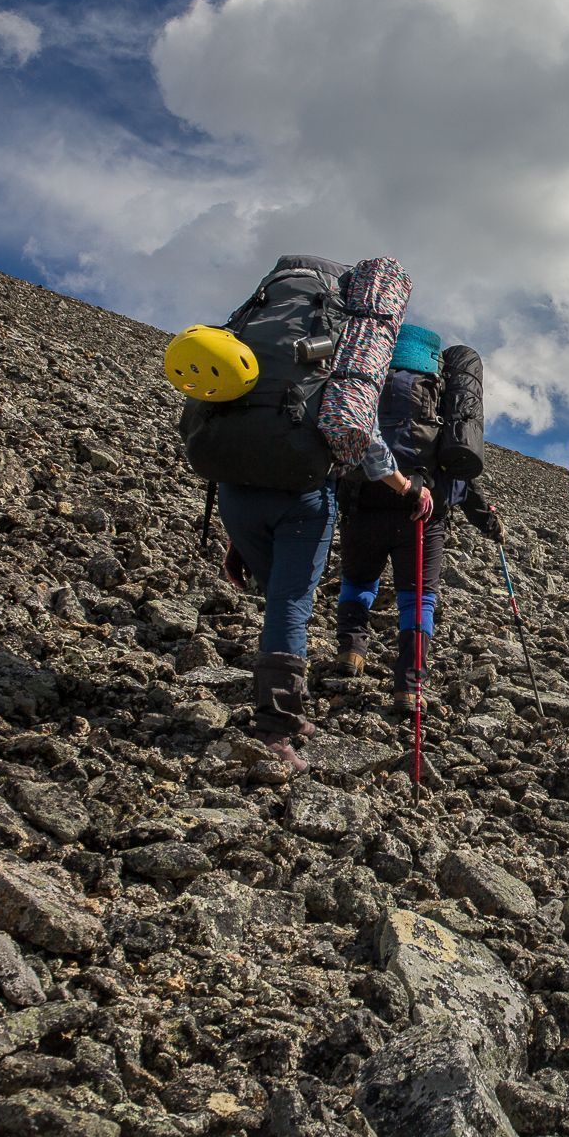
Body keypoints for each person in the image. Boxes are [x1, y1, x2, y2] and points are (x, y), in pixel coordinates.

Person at [212, 258, 411, 772]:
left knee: (275, 596)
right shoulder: (344, 341)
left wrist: (236, 537)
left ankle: (282, 710)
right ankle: (276, 729)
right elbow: (355, 426)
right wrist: (402, 484)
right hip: (302, 494)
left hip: (234, 490)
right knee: (290, 605)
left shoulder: (259, 329)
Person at [334, 323, 505, 713]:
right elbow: (459, 464)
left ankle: (351, 650)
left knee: (359, 580)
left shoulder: (364, 391)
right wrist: (488, 522)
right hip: (422, 515)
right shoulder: (441, 404)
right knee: (418, 598)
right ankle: (408, 687)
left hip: (362, 504)